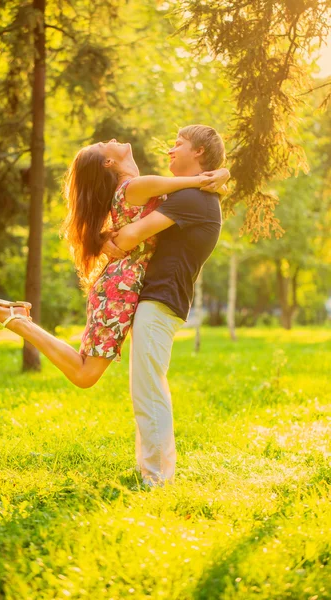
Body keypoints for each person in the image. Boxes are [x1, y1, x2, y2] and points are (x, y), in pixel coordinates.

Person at [0, 133, 228, 392]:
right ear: (108, 163)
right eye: (105, 145)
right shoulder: (134, 187)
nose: (112, 139)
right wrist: (215, 178)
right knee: (85, 374)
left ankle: (18, 320)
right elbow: (192, 185)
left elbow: (190, 192)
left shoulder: (136, 188)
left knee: (85, 373)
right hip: (121, 287)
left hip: (121, 284)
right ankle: (17, 320)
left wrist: (223, 177)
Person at [104, 125, 225, 487]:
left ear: (199, 152)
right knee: (145, 386)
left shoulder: (193, 199)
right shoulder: (192, 195)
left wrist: (114, 238)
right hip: (159, 300)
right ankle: (150, 467)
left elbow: (130, 236)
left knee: (148, 388)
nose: (170, 150)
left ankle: (157, 477)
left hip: (161, 301)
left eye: (178, 145)